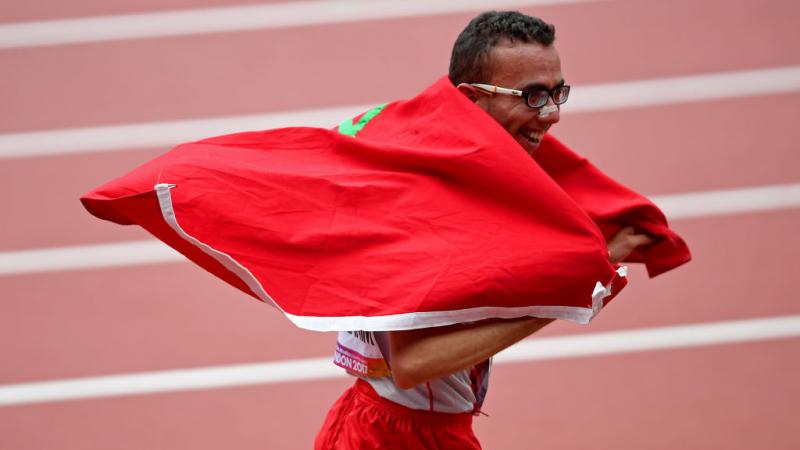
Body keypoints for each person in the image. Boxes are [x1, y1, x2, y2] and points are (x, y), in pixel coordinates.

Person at [315, 11, 654, 449]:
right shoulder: (427, 206)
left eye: (557, 93)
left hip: (409, 427)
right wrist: (575, 292)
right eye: (531, 96)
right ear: (473, 99)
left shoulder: (458, 170)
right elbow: (414, 363)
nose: (551, 115)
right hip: (397, 436)